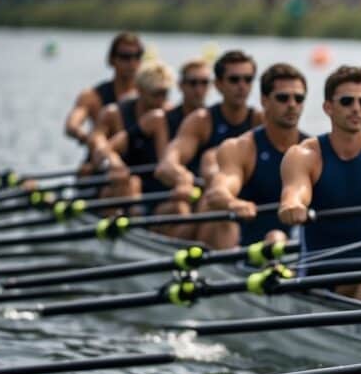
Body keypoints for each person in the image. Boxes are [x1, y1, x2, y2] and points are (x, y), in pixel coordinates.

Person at [279, 65, 361, 301]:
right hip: (323, 273)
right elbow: (295, 194)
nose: (356, 109)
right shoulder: (305, 155)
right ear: (328, 107)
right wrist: (293, 206)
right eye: (347, 101)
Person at [200, 63, 310, 249]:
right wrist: (233, 203)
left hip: (299, 250)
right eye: (283, 98)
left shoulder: (313, 150)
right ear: (264, 101)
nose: (292, 105)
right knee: (227, 224)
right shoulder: (241, 148)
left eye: (298, 99)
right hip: (249, 250)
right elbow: (217, 193)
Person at [153, 50, 263, 236]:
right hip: (205, 203)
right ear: (219, 85)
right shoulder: (201, 121)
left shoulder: (260, 121)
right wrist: (181, 178)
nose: (242, 86)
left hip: (248, 206)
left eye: (248, 79)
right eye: (234, 80)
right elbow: (166, 164)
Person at [90, 61, 175, 205]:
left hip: (152, 181)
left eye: (165, 93)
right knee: (131, 184)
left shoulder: (169, 112)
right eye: (156, 94)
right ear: (140, 90)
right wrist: (113, 161)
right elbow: (99, 145)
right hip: (117, 179)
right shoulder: (113, 113)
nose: (161, 100)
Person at [65, 32, 142, 164]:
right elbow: (72, 125)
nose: (132, 62)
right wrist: (86, 137)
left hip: (136, 163)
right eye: (125, 57)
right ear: (111, 60)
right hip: (101, 161)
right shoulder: (91, 96)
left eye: (137, 56)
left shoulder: (149, 95)